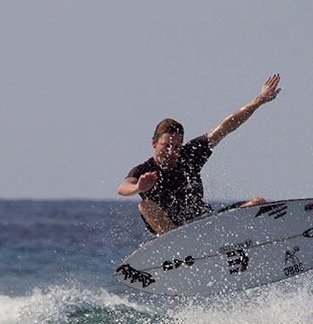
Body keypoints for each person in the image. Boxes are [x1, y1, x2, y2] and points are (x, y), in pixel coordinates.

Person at [118, 73, 281, 234]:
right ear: (154, 143)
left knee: (256, 203)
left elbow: (226, 126)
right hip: (171, 234)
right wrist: (138, 187)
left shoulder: (190, 154)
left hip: (203, 222)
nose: (171, 151)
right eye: (166, 146)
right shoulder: (144, 171)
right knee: (145, 205)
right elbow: (123, 188)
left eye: (176, 146)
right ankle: (179, 241)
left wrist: (259, 100)